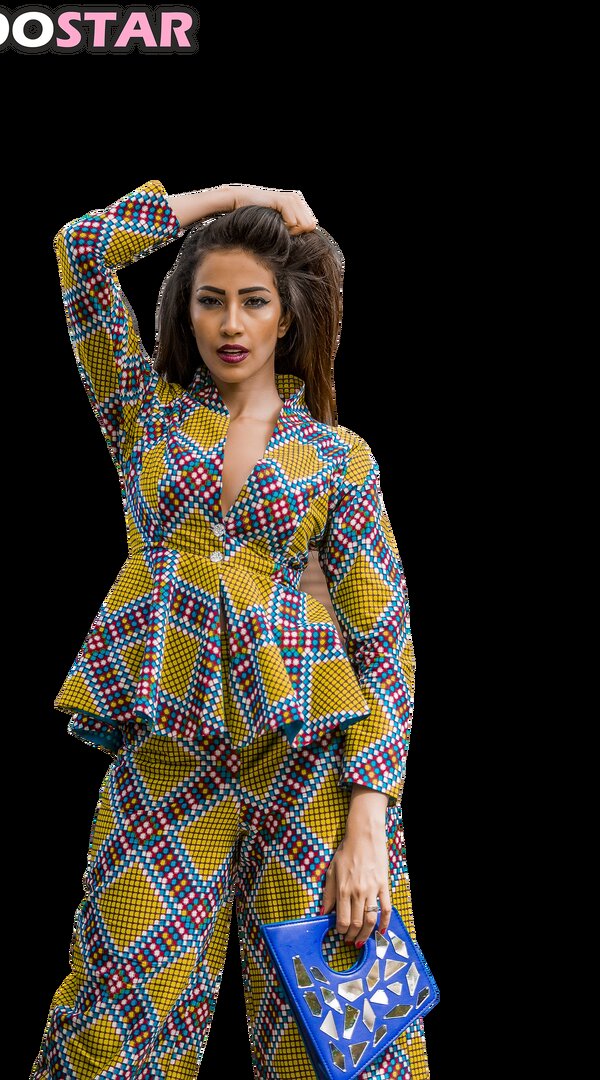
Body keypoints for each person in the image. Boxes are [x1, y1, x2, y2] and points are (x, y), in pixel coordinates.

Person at [31, 180, 429, 1079]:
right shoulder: (144, 415)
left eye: (254, 300)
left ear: (287, 315)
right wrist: (244, 196)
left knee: (341, 1039)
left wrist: (370, 817)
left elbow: (385, 637)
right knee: (114, 1026)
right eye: (210, 299)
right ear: (186, 310)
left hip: (309, 766)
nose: (231, 322)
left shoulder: (338, 457)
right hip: (167, 756)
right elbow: (81, 250)